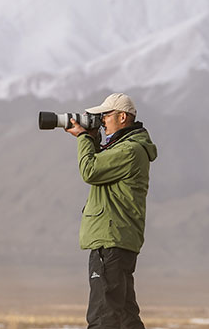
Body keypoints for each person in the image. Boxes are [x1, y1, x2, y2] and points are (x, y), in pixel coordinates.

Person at [65, 92, 158, 329]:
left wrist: (84, 138)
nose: (102, 120)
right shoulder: (127, 148)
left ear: (123, 117)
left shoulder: (129, 150)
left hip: (110, 238)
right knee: (125, 316)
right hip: (119, 238)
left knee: (103, 316)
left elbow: (91, 171)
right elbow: (102, 165)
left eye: (106, 115)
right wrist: (93, 139)